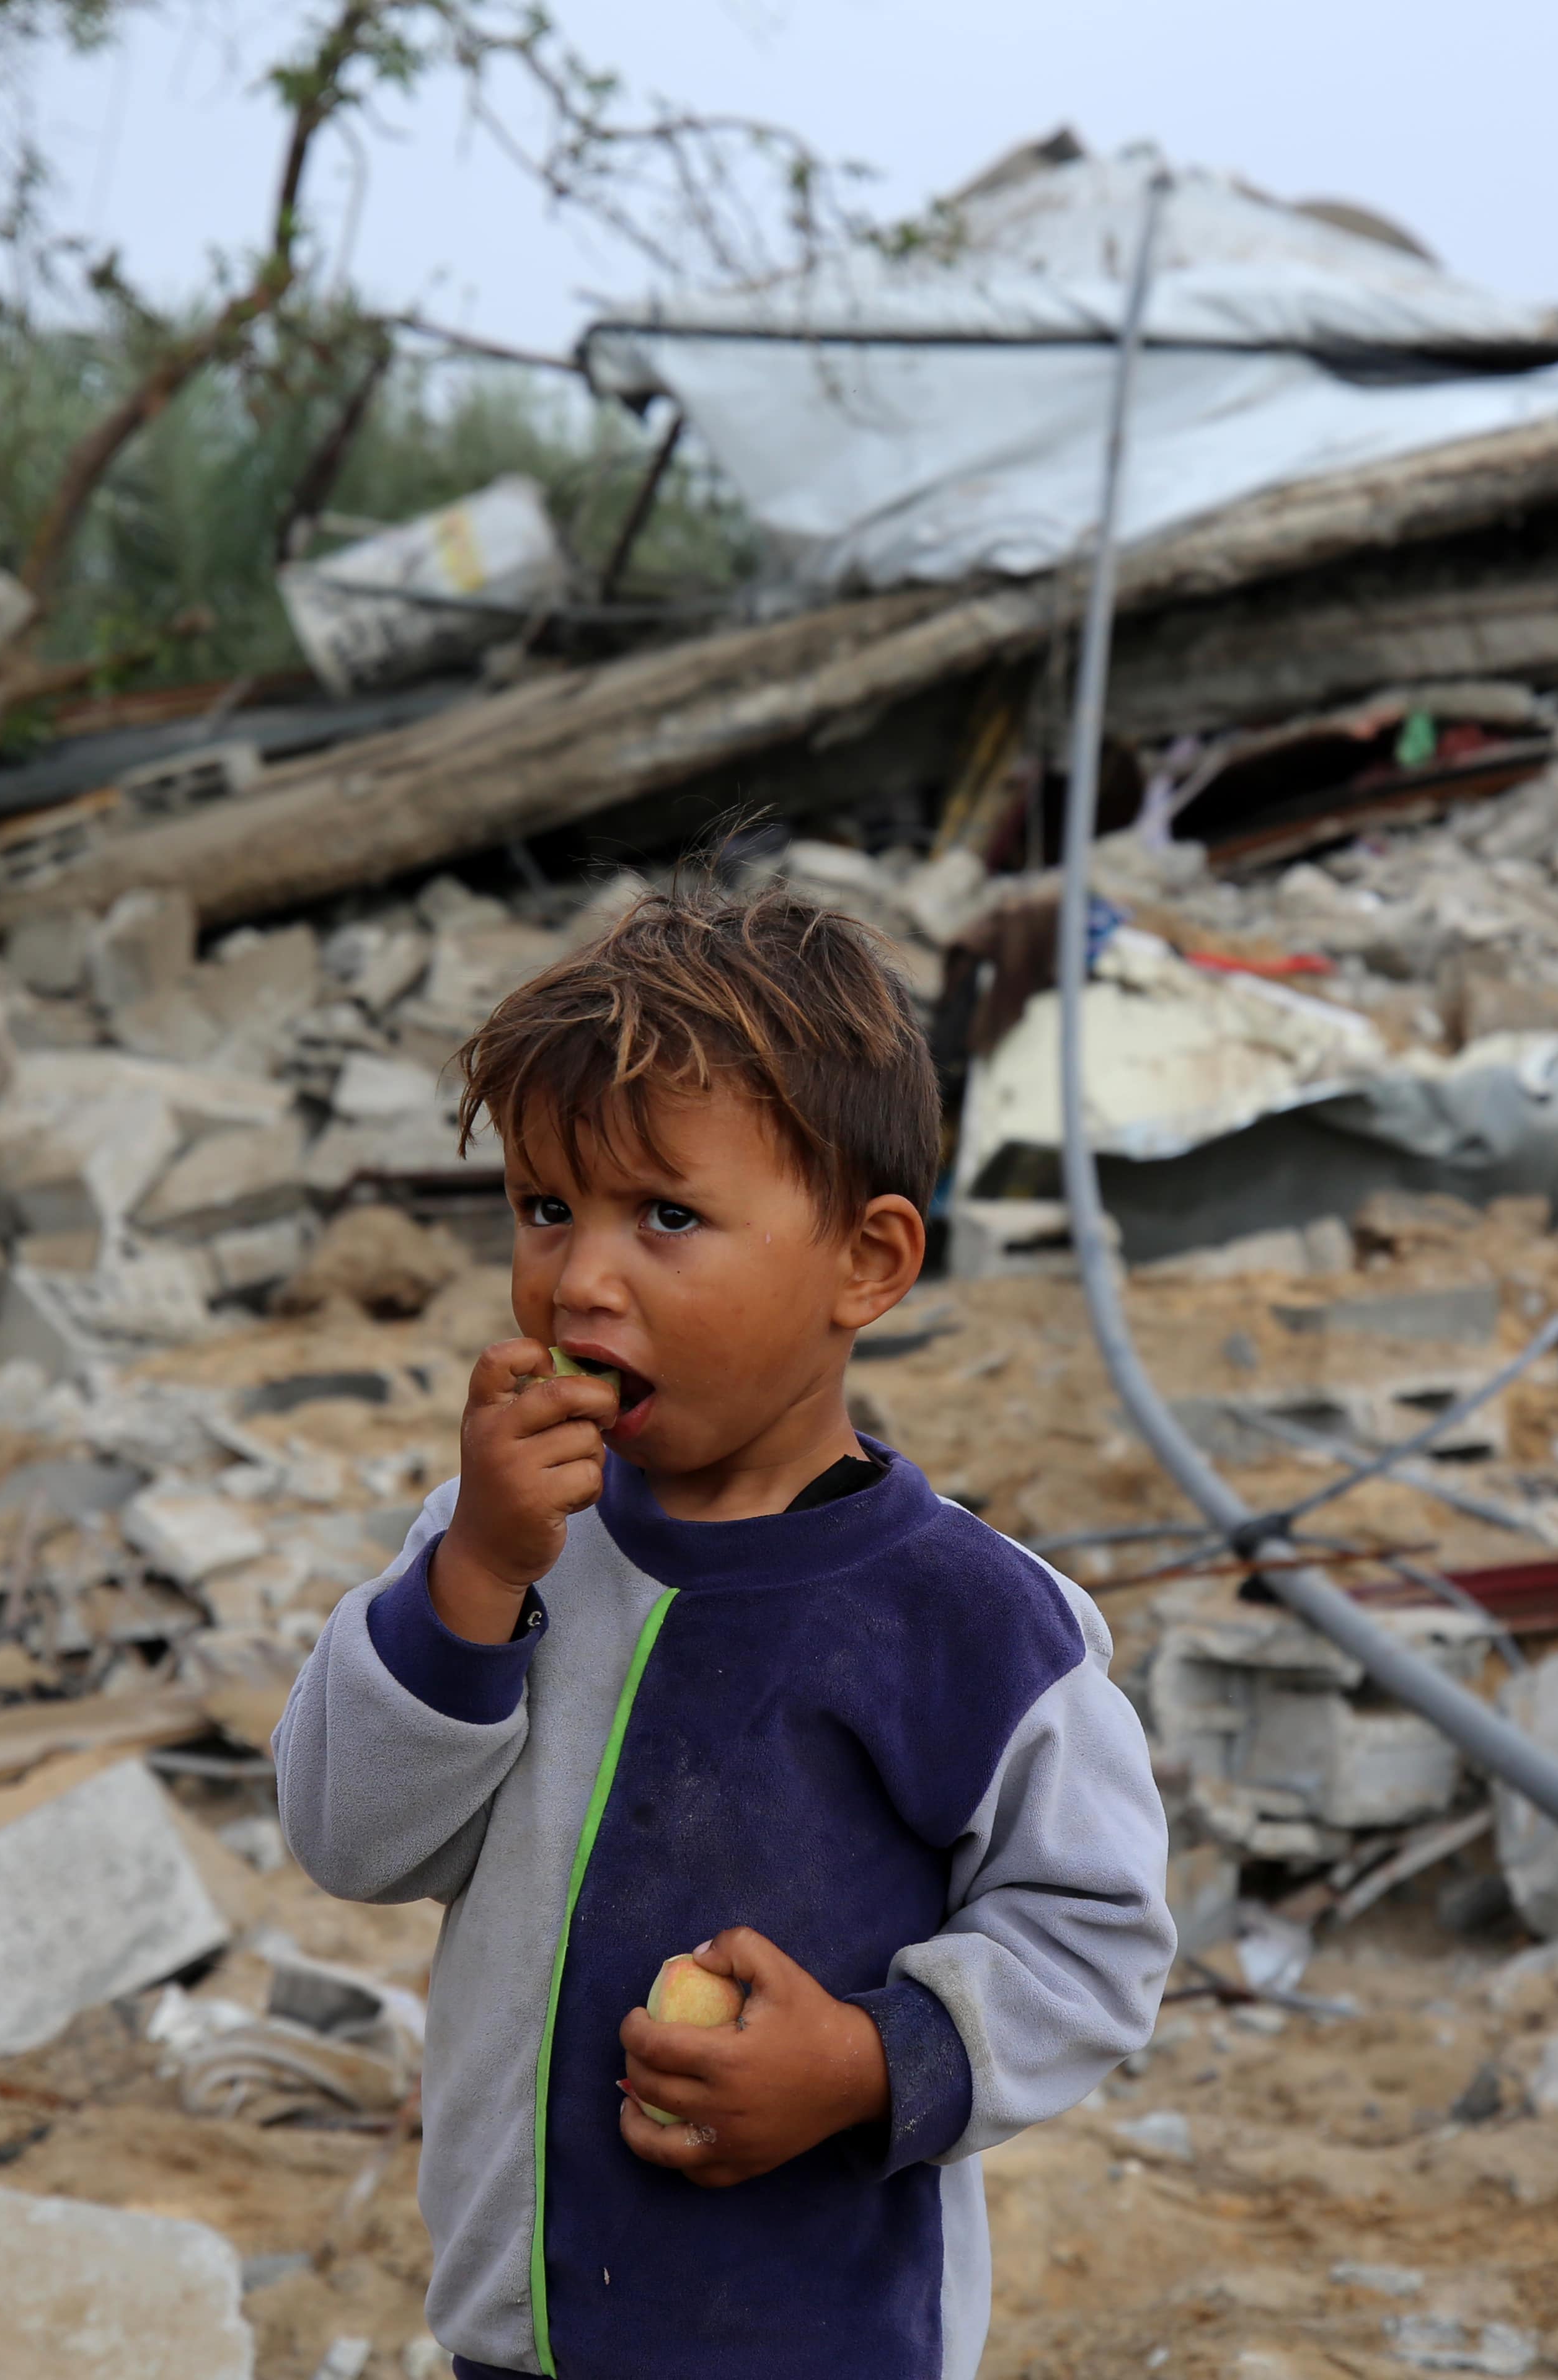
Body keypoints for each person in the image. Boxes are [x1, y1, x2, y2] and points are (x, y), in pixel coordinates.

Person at [275, 871, 1174, 2380]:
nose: (581, 1279)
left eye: (668, 1216)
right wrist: (473, 1585)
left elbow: (1093, 1947)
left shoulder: (971, 1625)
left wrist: (865, 2064)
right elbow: (351, 1842)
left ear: (868, 1264)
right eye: (546, 1208)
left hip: (821, 2339)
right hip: (524, 2336)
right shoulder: (498, 1547)